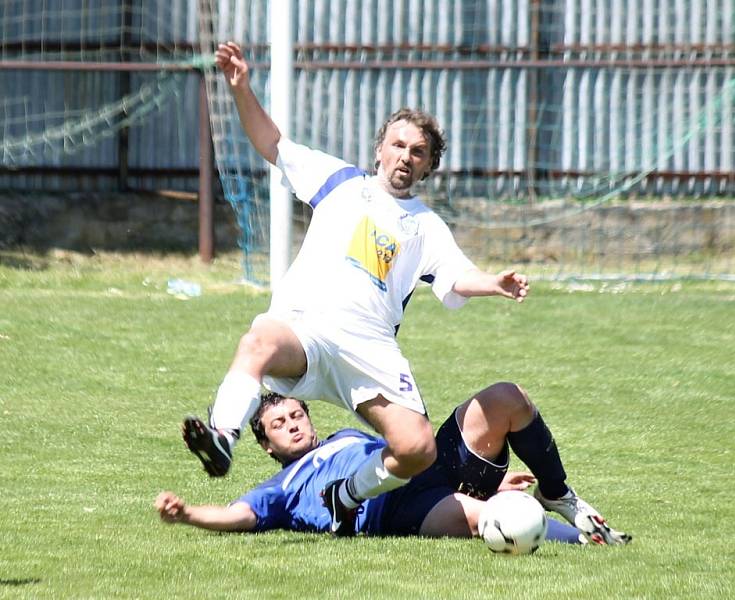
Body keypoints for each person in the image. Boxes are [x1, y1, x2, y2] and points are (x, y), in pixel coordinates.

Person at [182, 41, 529, 534]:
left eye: (418, 152)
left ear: (428, 165)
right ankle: (222, 435)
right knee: (257, 341)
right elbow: (271, 144)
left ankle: (346, 493)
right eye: (398, 145)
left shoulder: (427, 225)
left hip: (369, 349)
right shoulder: (339, 181)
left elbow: (456, 277)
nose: (405, 157)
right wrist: (241, 88)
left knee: (417, 449)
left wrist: (493, 282)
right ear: (379, 149)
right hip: (309, 334)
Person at [165, 382, 630, 545]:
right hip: (401, 509)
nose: (292, 425)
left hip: (425, 461)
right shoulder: (282, 486)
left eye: (296, 415)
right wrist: (188, 514)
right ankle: (590, 540)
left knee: (506, 399)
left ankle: (557, 491)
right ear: (266, 445)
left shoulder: (347, 436)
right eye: (278, 425)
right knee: (494, 520)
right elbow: (239, 515)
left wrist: (495, 479)